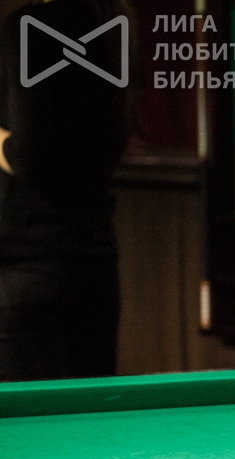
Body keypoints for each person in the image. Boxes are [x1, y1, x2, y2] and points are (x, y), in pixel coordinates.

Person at [0, 0, 131, 381]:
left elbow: (30, 153)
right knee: (87, 413)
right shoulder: (110, 23)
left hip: (30, 271)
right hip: (94, 265)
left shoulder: (28, 25)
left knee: (29, 420)